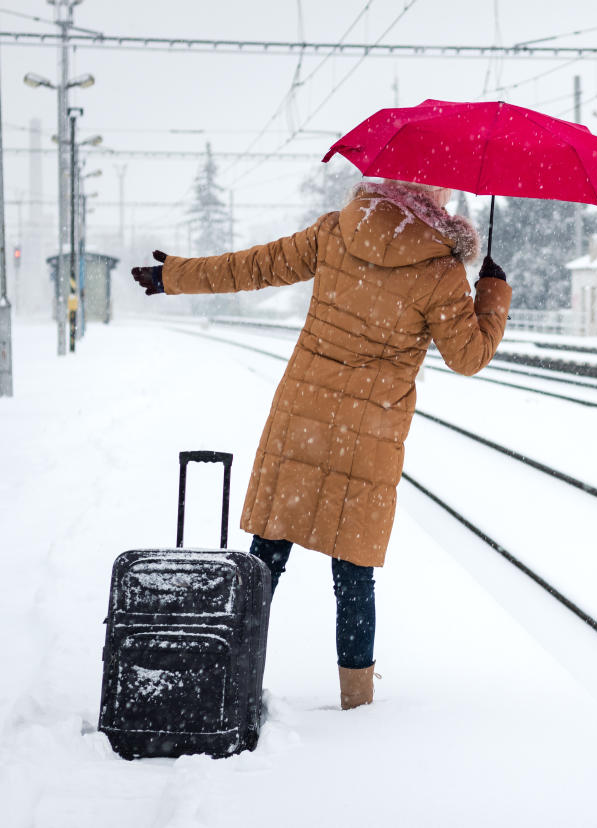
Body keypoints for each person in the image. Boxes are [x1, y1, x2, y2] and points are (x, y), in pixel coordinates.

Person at [131, 178, 511, 709]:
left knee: (265, 562)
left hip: (301, 416)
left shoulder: (337, 231)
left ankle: (223, 674)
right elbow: (468, 356)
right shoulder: (440, 271)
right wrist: (492, 295)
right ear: (430, 197)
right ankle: (355, 704)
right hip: (369, 438)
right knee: (353, 575)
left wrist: (174, 276)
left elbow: (255, 266)